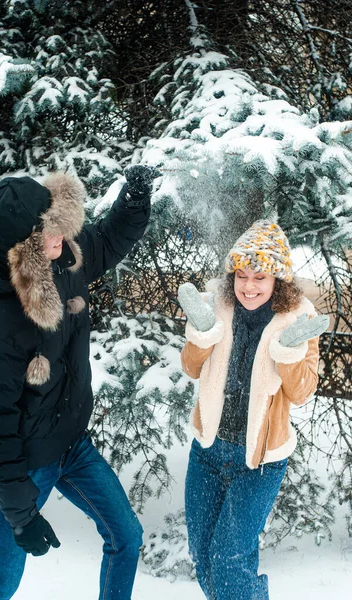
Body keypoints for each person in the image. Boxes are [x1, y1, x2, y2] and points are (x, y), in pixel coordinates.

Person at [0, 165, 158, 600]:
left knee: (127, 538)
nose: (61, 238)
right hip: (27, 465)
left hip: (71, 442)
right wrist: (23, 515)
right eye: (49, 232)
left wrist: (134, 199)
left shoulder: (59, 257)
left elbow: (105, 241)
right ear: (22, 252)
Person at [179, 220, 327, 600]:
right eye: (241, 275)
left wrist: (290, 353)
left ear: (278, 279)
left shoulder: (299, 319)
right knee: (204, 557)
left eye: (259, 277)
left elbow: (303, 391)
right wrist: (201, 333)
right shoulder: (217, 304)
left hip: (259, 462)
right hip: (208, 453)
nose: (248, 286)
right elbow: (192, 367)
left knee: (228, 561)